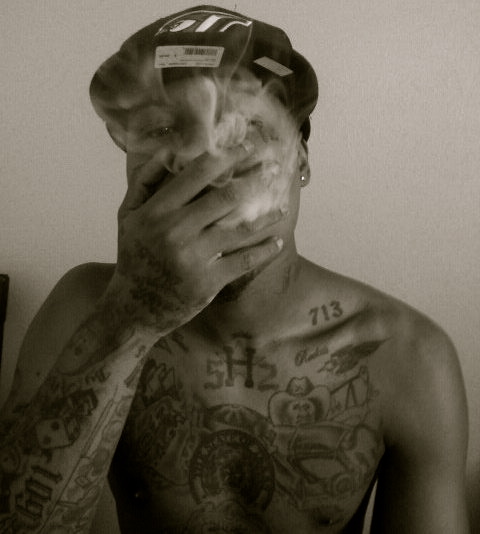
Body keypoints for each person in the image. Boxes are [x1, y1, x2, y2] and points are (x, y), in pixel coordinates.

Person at [0, 5, 469, 533]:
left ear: (301, 160)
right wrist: (130, 317)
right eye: (163, 129)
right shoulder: (86, 309)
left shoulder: (408, 357)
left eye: (243, 129)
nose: (202, 166)